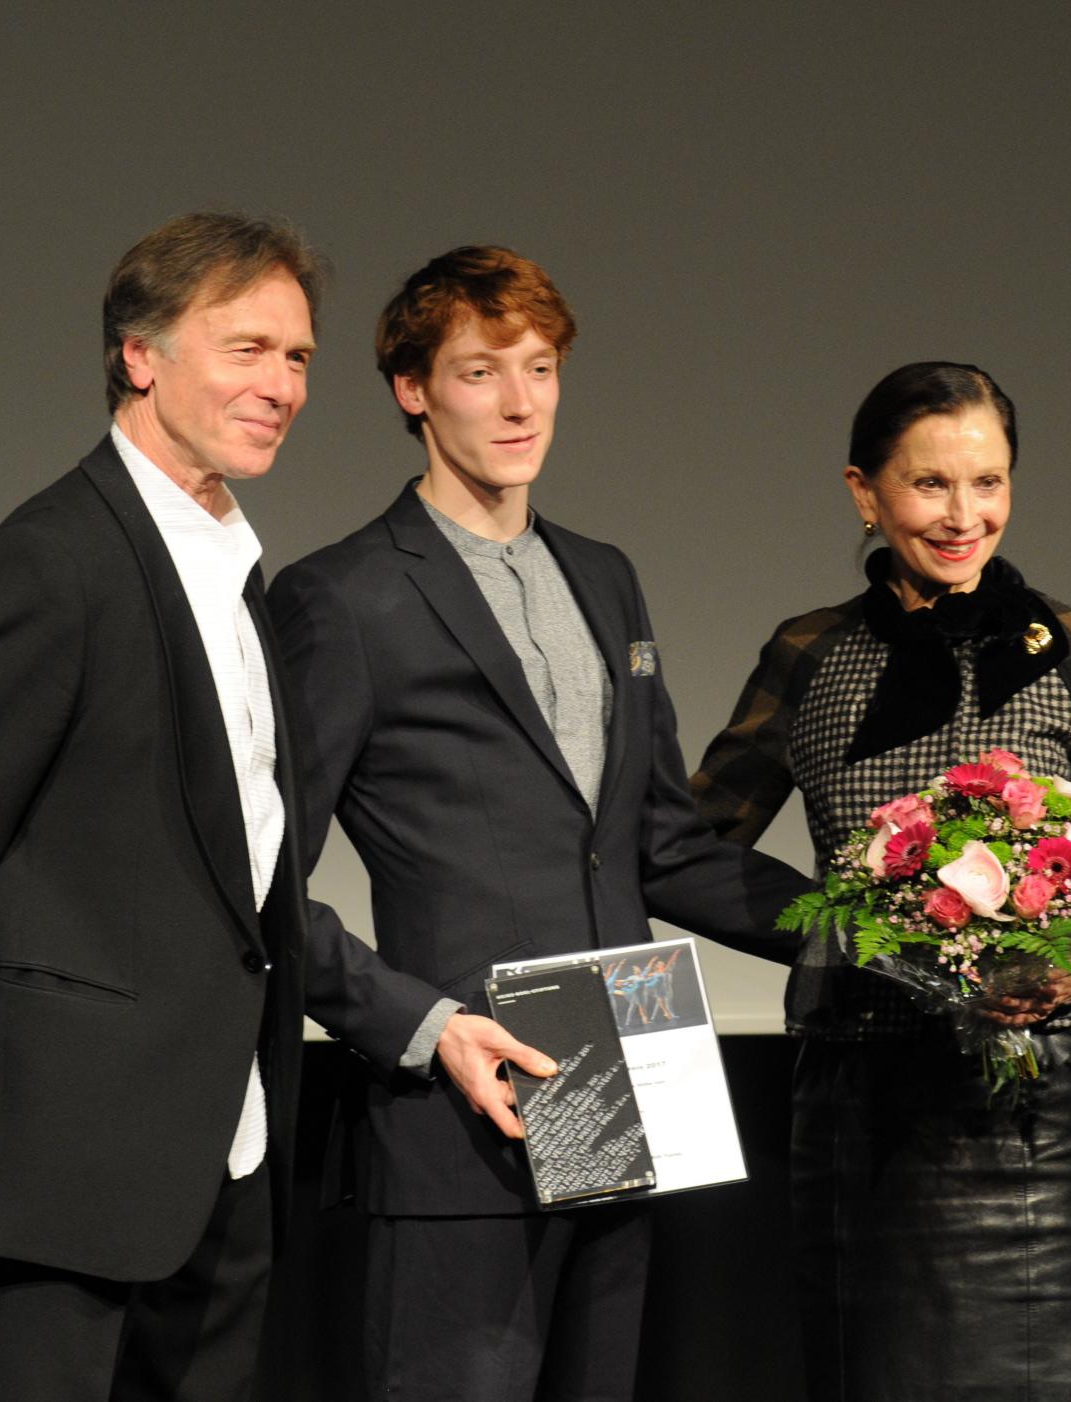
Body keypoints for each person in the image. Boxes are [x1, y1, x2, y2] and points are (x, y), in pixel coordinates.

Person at [268, 245, 810, 1402]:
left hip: (619, 1090)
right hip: (458, 1111)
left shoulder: (603, 577)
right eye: (479, 371)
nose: (520, 402)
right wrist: (422, 1026)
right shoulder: (345, 596)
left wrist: (865, 932)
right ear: (411, 389)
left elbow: (658, 838)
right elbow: (260, 879)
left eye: (540, 366)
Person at [0, 211, 323, 1401]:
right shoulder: (53, 560)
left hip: (224, 1147)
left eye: (297, 358)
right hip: (46, 1168)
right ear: (140, 355)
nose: (280, 385)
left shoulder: (235, 572)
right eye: (246, 348)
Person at [691, 361, 1071, 1401]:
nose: (963, 515)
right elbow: (688, 844)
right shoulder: (809, 651)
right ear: (864, 491)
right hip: (859, 1090)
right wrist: (841, 928)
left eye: (986, 483)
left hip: (1038, 1100)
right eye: (929, 484)